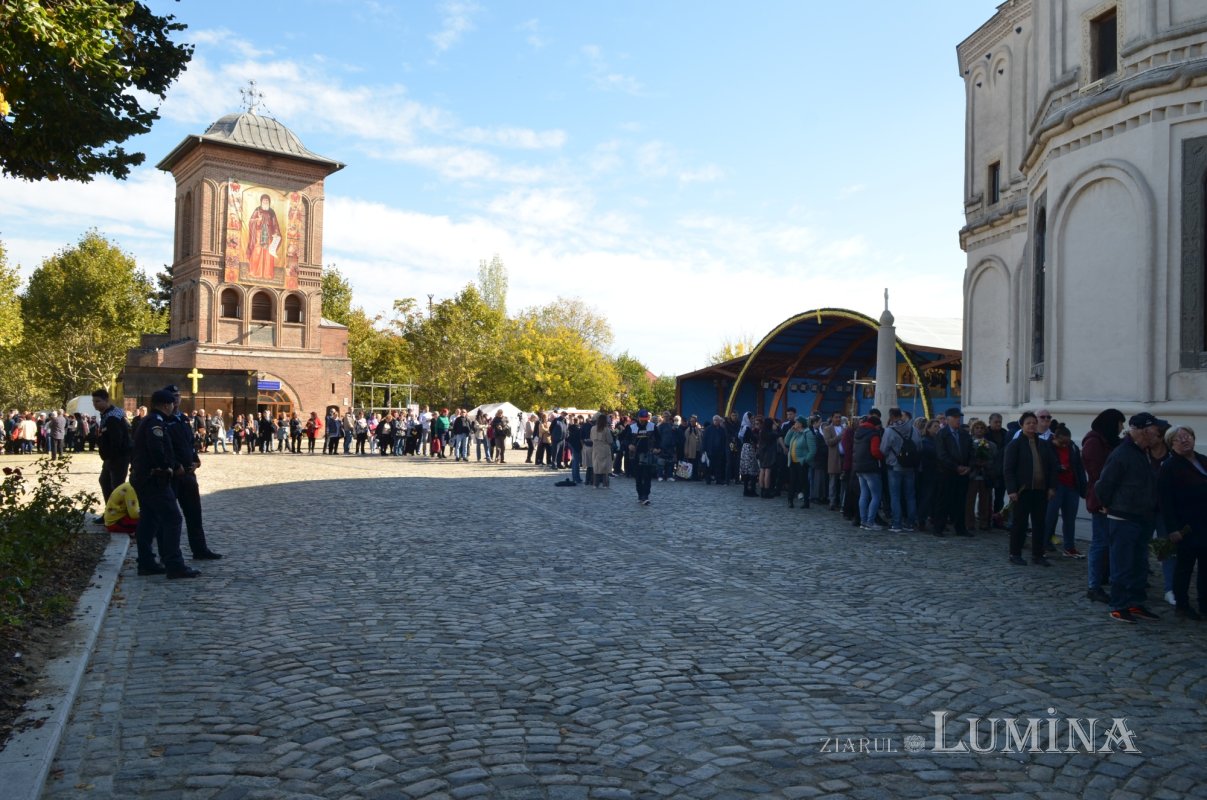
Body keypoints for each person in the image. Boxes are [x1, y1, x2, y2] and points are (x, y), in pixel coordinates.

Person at [1095, 412, 1165, 623]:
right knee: (1122, 563)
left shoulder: (1144, 452)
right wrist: (1108, 505)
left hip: (1143, 516)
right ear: (1144, 430)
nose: (1158, 433)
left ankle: (1135, 602)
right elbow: (1104, 484)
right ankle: (1119, 604)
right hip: (1124, 517)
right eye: (1155, 429)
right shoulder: (1122, 453)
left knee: (1139, 563)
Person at [129, 389, 199, 579]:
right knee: (172, 518)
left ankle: (146, 562)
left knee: (149, 519)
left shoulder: (149, 421)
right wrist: (172, 467)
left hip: (144, 478)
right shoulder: (155, 423)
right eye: (172, 404)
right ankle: (174, 564)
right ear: (167, 405)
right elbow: (157, 450)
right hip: (154, 479)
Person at [164, 387, 222, 561]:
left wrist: (196, 460)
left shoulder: (182, 418)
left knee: (194, 513)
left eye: (178, 396)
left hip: (189, 473)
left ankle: (200, 549)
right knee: (169, 518)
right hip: (173, 475)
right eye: (173, 397)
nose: (176, 400)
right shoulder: (162, 420)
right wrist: (175, 466)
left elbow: (189, 443)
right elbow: (165, 448)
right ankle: (168, 554)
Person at [1158, 425, 1207, 620]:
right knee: (1184, 567)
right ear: (1171, 444)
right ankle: (1183, 605)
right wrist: (1172, 528)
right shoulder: (1170, 466)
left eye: (1187, 436)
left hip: (1205, 523)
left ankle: (1205, 603)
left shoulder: (1202, 460)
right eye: (1179, 438)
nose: (1185, 440)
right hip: (1185, 526)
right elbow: (1165, 500)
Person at [1002, 411, 1058, 566]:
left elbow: (1053, 467)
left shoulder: (1044, 444)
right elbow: (1008, 469)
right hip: (1022, 490)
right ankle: (1015, 553)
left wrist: (1052, 487)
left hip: (1041, 490)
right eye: (1028, 423)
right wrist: (1012, 489)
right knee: (1020, 524)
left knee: (1040, 523)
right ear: (1022, 425)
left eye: (1034, 422)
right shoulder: (1015, 444)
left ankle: (1038, 554)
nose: (1032, 425)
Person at [1083, 408, 1125, 603]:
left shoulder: (1110, 441)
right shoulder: (1094, 442)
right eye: (1119, 423)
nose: (1122, 427)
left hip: (1113, 499)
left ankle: (1104, 577)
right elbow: (1098, 474)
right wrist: (1104, 500)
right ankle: (1094, 585)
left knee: (1109, 542)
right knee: (1100, 543)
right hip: (1101, 499)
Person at [1045, 422, 1088, 558]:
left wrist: (1083, 487)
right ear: (1055, 438)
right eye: (1062, 442)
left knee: (1070, 518)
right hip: (1055, 486)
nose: (1065, 445)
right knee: (1049, 517)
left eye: (1067, 442)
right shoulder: (1047, 447)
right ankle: (1042, 544)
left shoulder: (1073, 448)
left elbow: (1079, 468)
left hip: (1071, 486)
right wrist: (1058, 468)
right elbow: (1046, 467)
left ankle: (1069, 547)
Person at [934, 407, 973, 537]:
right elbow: (941, 455)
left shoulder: (964, 434)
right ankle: (939, 527)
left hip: (963, 474)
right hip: (947, 473)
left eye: (959, 417)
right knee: (944, 501)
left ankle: (960, 528)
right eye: (955, 417)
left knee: (961, 502)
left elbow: (971, 452)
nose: (958, 420)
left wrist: (969, 467)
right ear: (948, 419)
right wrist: (955, 467)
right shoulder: (942, 434)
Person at [881, 407, 921, 532]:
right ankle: (910, 523)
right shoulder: (913, 429)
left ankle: (897, 523)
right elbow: (919, 446)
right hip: (910, 466)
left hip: (895, 466)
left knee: (895, 496)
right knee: (910, 495)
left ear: (892, 416)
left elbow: (883, 449)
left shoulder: (889, 431)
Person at [92, 389, 131, 504]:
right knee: (105, 481)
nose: (95, 404)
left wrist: (111, 457)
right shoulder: (108, 414)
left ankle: (119, 516)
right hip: (112, 457)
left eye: (98, 401)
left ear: (106, 400)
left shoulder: (112, 417)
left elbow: (117, 441)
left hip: (118, 457)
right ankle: (110, 512)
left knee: (116, 487)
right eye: (94, 402)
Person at [853, 412, 885, 529]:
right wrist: (883, 455)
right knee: (876, 495)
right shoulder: (874, 435)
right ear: (876, 425)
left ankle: (863, 521)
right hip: (870, 468)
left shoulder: (858, 432)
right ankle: (870, 522)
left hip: (859, 467)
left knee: (863, 495)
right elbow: (875, 452)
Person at [246, 193, 282, 279]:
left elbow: (275, 224)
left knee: (268, 254)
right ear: (261, 201)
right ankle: (254, 272)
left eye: (267, 200)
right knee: (257, 252)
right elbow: (251, 221)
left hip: (269, 234)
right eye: (264, 200)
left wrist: (276, 232)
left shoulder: (271, 212)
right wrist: (257, 220)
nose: (265, 202)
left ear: (269, 202)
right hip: (259, 233)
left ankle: (267, 274)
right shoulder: (257, 210)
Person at [783, 417, 815, 509]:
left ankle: (806, 501)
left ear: (801, 424)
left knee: (803, 482)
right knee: (792, 481)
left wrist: (805, 460)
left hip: (801, 462)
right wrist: (790, 430)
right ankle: (790, 500)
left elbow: (812, 450)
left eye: (796, 422)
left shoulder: (807, 433)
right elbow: (786, 441)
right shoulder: (795, 433)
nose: (795, 423)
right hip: (793, 461)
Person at [628, 409, 658, 505]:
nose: (643, 421)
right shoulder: (631, 427)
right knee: (638, 477)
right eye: (641, 419)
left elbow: (658, 439)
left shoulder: (653, 426)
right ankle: (640, 495)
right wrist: (629, 445)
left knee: (647, 476)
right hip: (635, 456)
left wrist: (657, 448)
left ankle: (645, 496)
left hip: (648, 454)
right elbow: (624, 439)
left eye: (645, 419)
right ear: (638, 418)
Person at [586, 413, 615, 489]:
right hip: (605, 448)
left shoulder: (593, 428)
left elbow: (591, 438)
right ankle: (605, 484)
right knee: (605, 468)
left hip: (595, 448)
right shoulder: (606, 429)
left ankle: (595, 484)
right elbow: (610, 440)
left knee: (596, 467)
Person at [701, 415, 728, 485]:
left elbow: (724, 440)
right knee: (708, 466)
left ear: (719, 421)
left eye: (717, 420)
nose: (716, 421)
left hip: (719, 451)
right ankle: (708, 479)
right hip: (710, 450)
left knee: (718, 466)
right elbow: (704, 440)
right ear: (713, 421)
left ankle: (718, 480)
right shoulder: (708, 429)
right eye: (715, 420)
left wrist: (723, 450)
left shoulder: (722, 430)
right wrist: (704, 450)